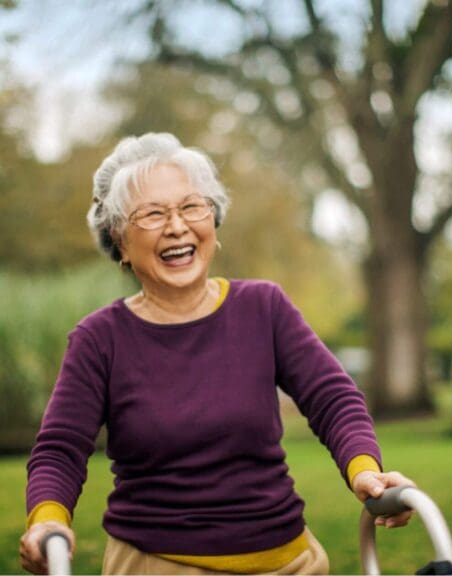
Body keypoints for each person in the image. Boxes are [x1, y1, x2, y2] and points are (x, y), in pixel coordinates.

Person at [19, 133, 414, 575]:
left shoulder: (264, 307)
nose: (177, 226)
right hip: (161, 566)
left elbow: (333, 399)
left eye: (192, 207)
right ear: (120, 241)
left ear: (213, 219)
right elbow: (61, 449)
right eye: (152, 214)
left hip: (291, 561)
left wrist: (364, 471)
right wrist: (47, 522)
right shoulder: (99, 339)